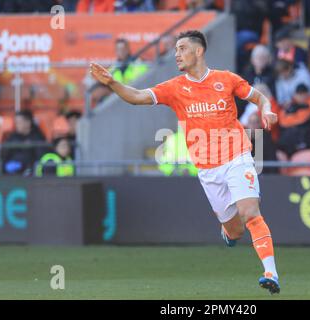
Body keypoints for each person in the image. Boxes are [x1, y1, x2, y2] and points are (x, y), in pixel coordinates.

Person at [90, 30, 281, 294]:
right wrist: (112, 83)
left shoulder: (226, 79)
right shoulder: (175, 87)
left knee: (251, 213)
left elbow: (258, 96)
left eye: (181, 48)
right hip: (208, 169)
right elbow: (136, 97)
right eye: (176, 50)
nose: (176, 54)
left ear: (198, 51)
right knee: (235, 231)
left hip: (238, 157)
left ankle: (271, 271)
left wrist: (267, 108)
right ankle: (228, 233)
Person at [277, 83, 310, 157]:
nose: (301, 96)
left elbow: (300, 120)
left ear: (307, 94)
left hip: (306, 141)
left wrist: (290, 118)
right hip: (289, 142)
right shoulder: (291, 106)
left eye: (303, 94)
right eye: (299, 94)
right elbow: (282, 121)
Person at [1, 110, 47, 175]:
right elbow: (4, 154)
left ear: (28, 122)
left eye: (19, 122)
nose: (16, 125)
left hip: (31, 173)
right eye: (16, 122)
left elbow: (40, 157)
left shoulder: (38, 137)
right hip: (11, 173)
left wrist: (23, 165)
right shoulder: (12, 137)